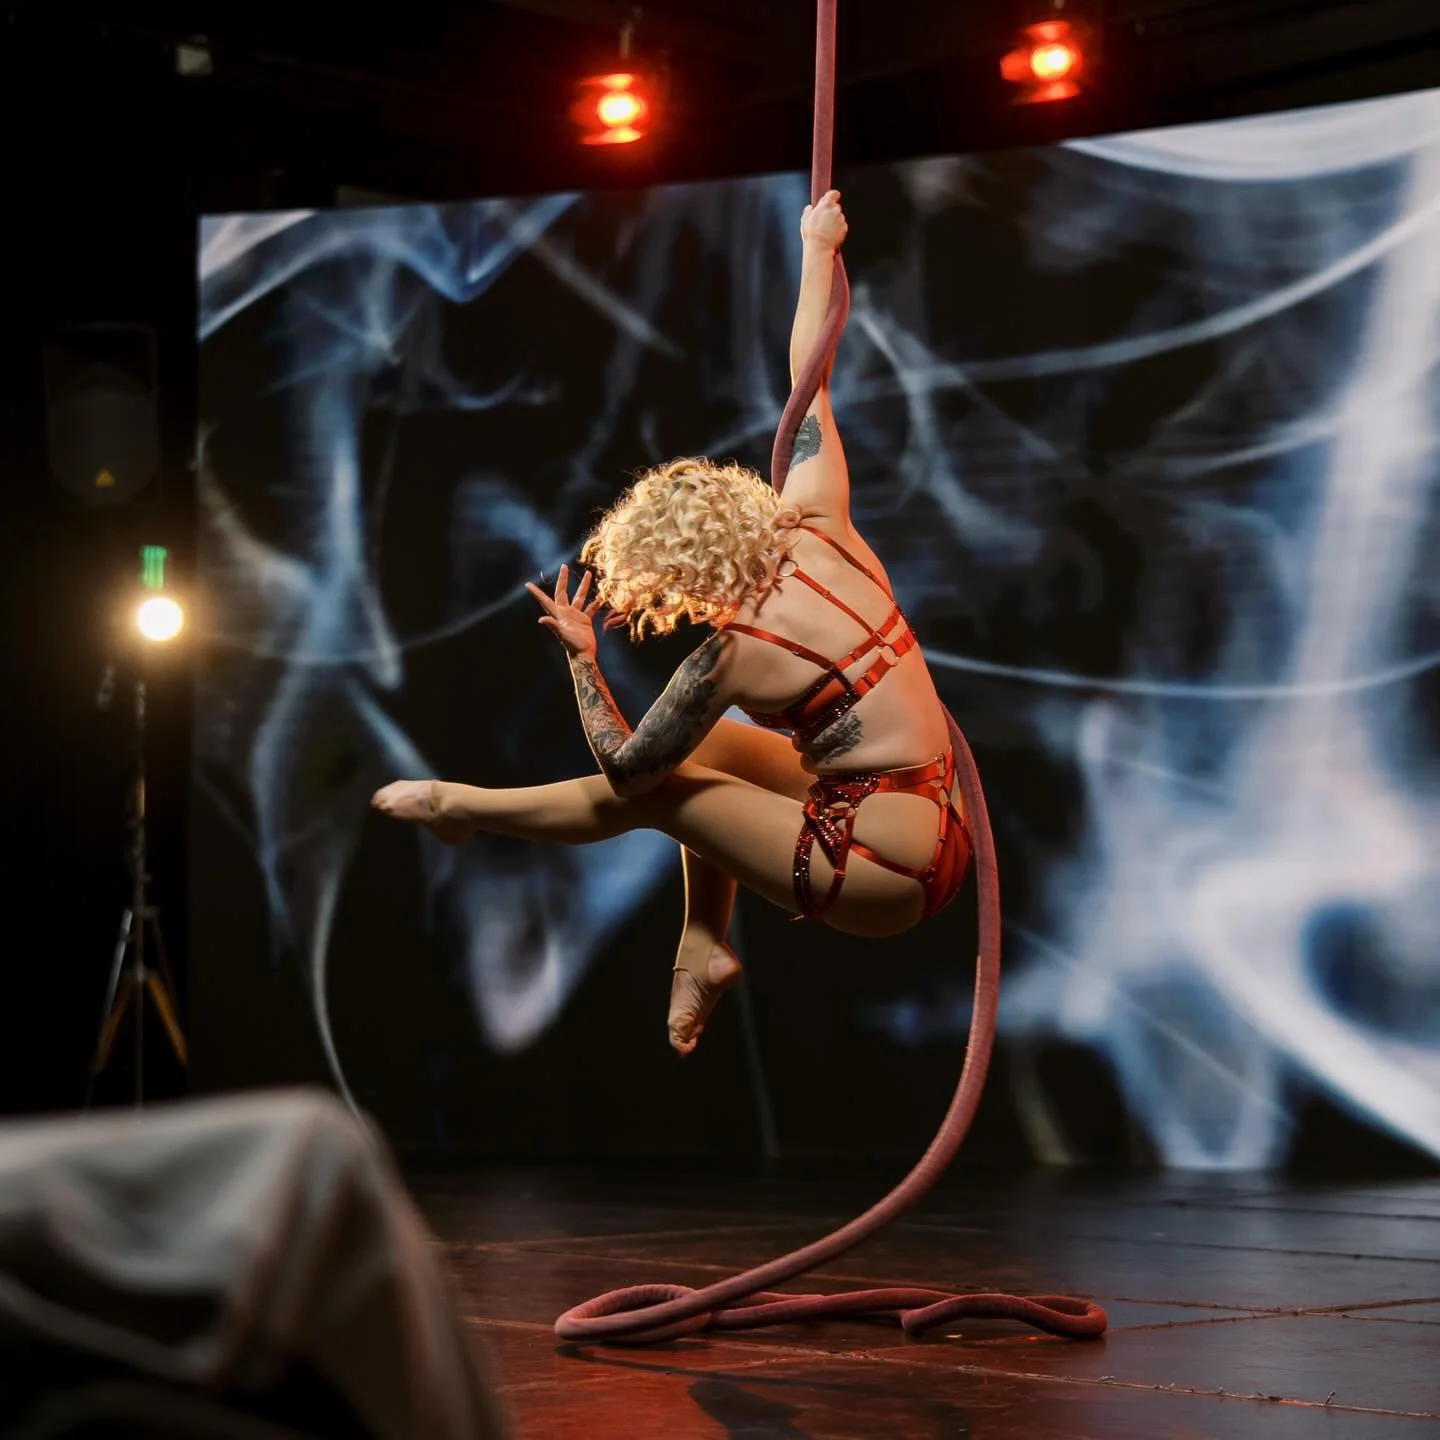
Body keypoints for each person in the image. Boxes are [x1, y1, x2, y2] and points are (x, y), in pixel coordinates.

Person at [373, 191, 970, 1056]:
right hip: (929, 823)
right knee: (715, 750)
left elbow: (625, 774)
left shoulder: (735, 656)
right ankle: (700, 943)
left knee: (664, 797)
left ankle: (460, 805)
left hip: (879, 878)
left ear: (679, 578)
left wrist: (584, 660)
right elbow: (810, 381)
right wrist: (816, 249)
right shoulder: (821, 526)